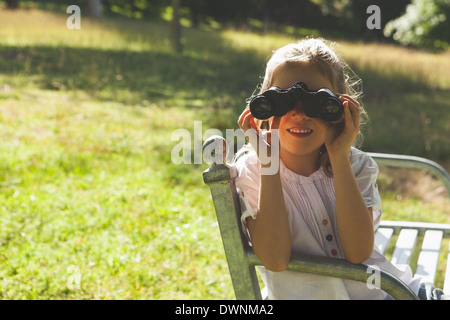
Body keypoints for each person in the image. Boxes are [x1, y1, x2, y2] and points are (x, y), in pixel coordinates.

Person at [234, 38, 421, 299]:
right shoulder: (254, 170)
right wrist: (269, 163)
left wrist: (339, 157)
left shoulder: (356, 165)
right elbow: (275, 259)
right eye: (283, 100)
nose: (300, 114)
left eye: (318, 102)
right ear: (265, 106)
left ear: (339, 107)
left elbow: (358, 253)